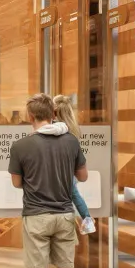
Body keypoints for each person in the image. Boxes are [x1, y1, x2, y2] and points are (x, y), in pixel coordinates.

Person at [8, 93, 89, 268]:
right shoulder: (71, 142)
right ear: (53, 114)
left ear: (30, 116)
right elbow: (83, 177)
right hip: (65, 215)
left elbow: (17, 183)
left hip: (36, 217)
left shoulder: (21, 146)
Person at [52, 94, 97, 235]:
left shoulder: (53, 129)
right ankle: (87, 219)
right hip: (68, 171)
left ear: (54, 112)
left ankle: (88, 219)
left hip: (58, 172)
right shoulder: (71, 130)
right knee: (74, 193)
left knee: (73, 193)